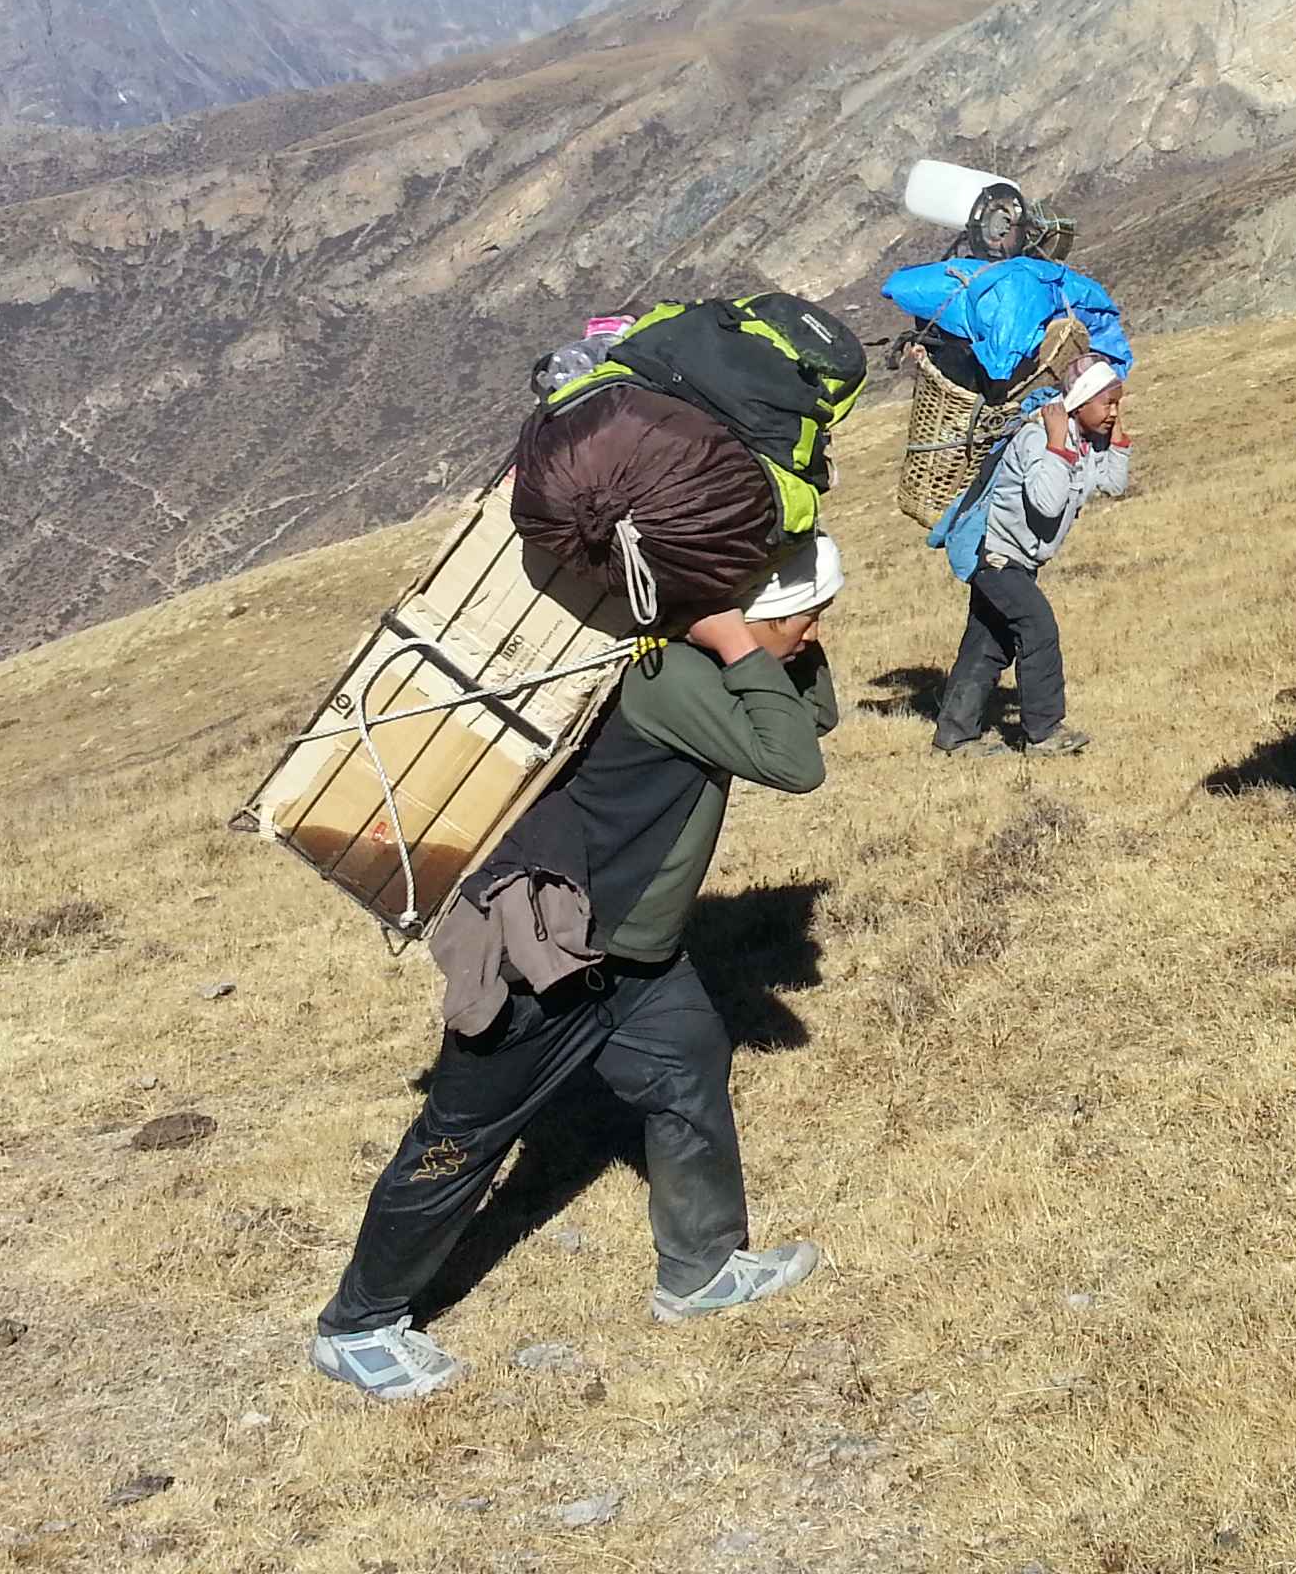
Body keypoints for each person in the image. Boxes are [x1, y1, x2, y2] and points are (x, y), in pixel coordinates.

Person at [308, 532, 848, 1402]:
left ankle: (700, 1269)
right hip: (546, 957)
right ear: (739, 622)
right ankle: (357, 1326)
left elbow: (806, 715)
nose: (816, 633)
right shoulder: (673, 679)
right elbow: (795, 759)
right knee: (459, 1140)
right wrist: (748, 642)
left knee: (685, 1075)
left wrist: (763, 637)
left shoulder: (706, 666)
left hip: (634, 951)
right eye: (806, 617)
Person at [931, 359, 1131, 756]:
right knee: (1038, 628)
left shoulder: (1085, 441)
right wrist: (1057, 446)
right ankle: (1044, 732)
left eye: (1117, 405)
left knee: (987, 645)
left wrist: (1117, 435)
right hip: (996, 557)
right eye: (1107, 404)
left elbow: (1113, 483)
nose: (1112, 412)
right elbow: (1046, 503)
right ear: (1081, 399)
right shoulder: (1039, 437)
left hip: (1021, 561)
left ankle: (953, 738)